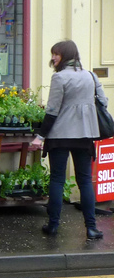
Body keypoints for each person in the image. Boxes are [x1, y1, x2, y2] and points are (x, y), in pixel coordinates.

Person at [30, 40, 105, 240]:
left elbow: (52, 111)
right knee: (85, 181)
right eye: (52, 53)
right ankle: (91, 228)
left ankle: (53, 226)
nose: (53, 57)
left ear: (66, 55)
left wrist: (39, 137)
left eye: (56, 54)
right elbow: (103, 102)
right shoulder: (91, 76)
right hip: (85, 135)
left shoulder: (60, 78)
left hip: (60, 136)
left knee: (57, 179)